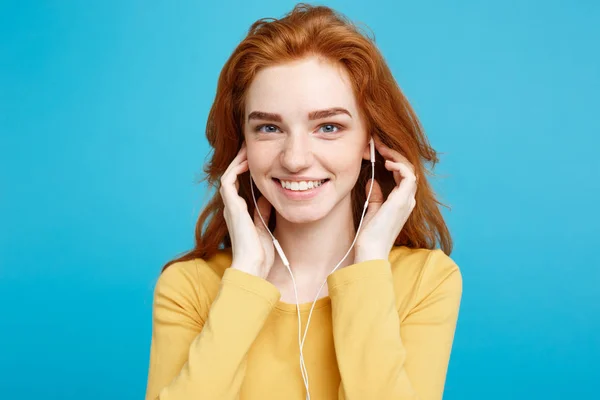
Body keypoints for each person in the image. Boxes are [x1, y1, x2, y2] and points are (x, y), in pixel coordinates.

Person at [145, 3, 462, 400]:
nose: (295, 159)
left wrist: (368, 264)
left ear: (371, 142)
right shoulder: (189, 288)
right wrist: (245, 278)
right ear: (242, 145)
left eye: (328, 126)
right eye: (269, 127)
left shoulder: (425, 282)